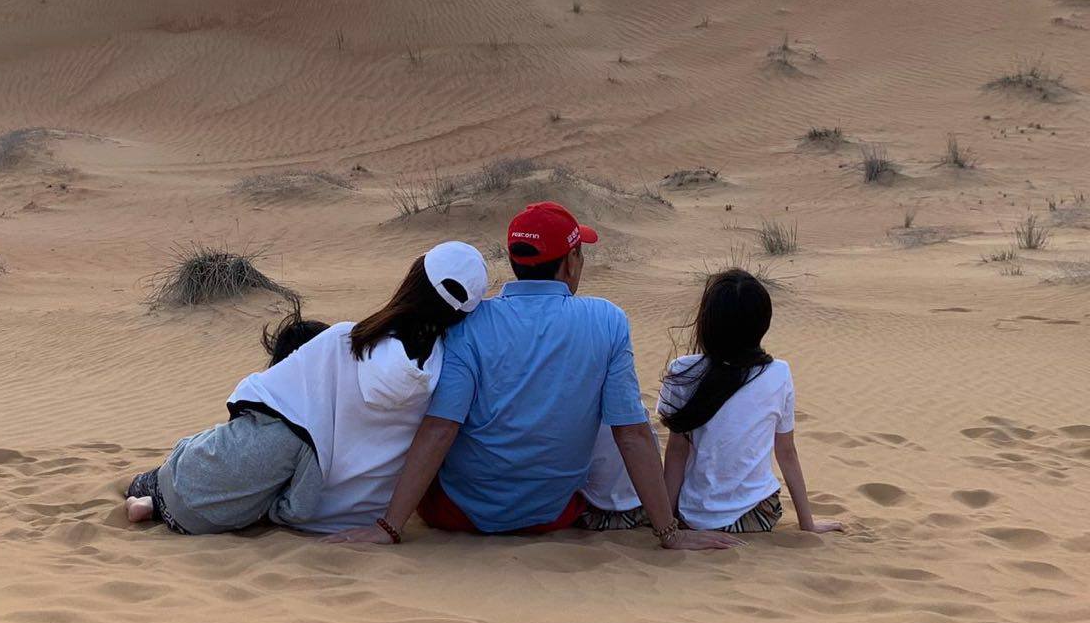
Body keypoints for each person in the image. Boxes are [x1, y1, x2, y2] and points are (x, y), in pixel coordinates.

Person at [330, 202, 740, 550]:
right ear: (570, 261)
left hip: (456, 513)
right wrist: (669, 532)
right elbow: (630, 434)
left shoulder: (471, 323)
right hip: (549, 515)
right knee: (615, 415)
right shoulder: (607, 320)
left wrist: (389, 527)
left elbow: (441, 428)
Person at [125, 241, 489, 535]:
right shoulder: (441, 378)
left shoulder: (345, 340)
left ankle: (149, 496)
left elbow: (266, 399)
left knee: (176, 470)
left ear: (413, 280)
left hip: (225, 468)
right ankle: (153, 500)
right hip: (339, 514)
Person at [659, 269, 843, 535]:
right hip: (757, 517)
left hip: (694, 517)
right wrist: (808, 524)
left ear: (707, 322)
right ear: (763, 323)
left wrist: (665, 522)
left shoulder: (683, 371)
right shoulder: (778, 373)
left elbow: (677, 452)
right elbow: (786, 452)